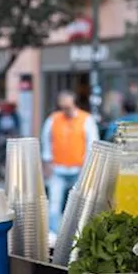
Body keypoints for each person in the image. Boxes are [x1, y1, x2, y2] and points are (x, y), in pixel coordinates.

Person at [41, 90, 99, 234]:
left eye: (67, 106)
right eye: (62, 106)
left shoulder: (86, 119)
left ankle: (77, 232)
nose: (65, 110)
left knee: (79, 204)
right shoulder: (53, 119)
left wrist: (88, 168)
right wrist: (47, 162)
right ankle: (55, 234)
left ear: (74, 103)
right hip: (57, 169)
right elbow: (46, 141)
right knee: (54, 205)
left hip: (79, 169)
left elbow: (92, 144)